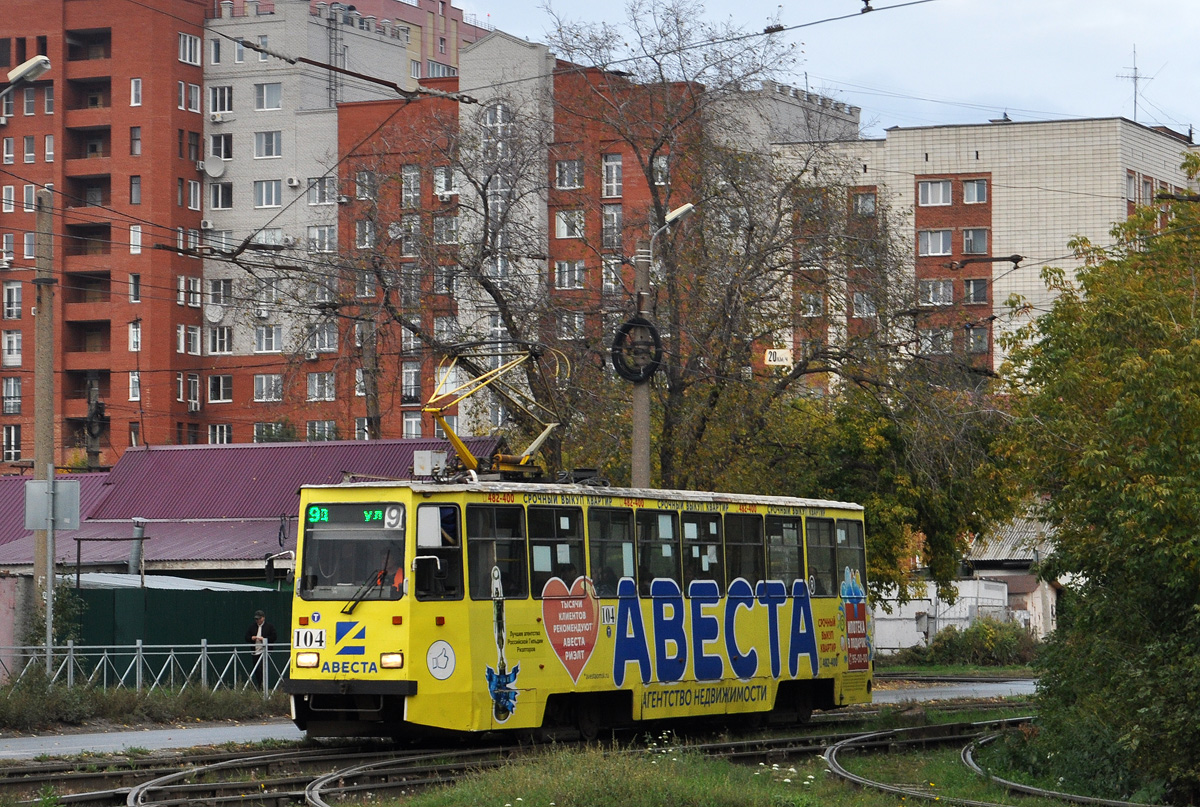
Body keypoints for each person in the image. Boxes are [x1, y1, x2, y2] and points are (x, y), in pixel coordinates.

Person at [245, 610, 278, 689]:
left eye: (259, 619)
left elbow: (274, 637)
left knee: (262, 669)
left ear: (263, 618)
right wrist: (251, 638)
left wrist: (264, 639)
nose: (257, 621)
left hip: (265, 652)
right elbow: (246, 637)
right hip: (255, 651)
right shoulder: (252, 627)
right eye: (256, 619)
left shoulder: (269, 626)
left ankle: (264, 687)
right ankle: (260, 686)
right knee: (256, 670)